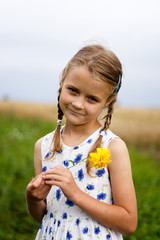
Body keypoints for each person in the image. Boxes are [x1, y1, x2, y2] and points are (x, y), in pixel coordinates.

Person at [26, 44, 137, 240]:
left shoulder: (113, 147)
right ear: (63, 79)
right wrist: (33, 200)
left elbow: (128, 223)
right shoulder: (43, 147)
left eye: (92, 99)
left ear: (109, 101)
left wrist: (76, 194)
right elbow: (45, 216)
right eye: (73, 90)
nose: (78, 104)